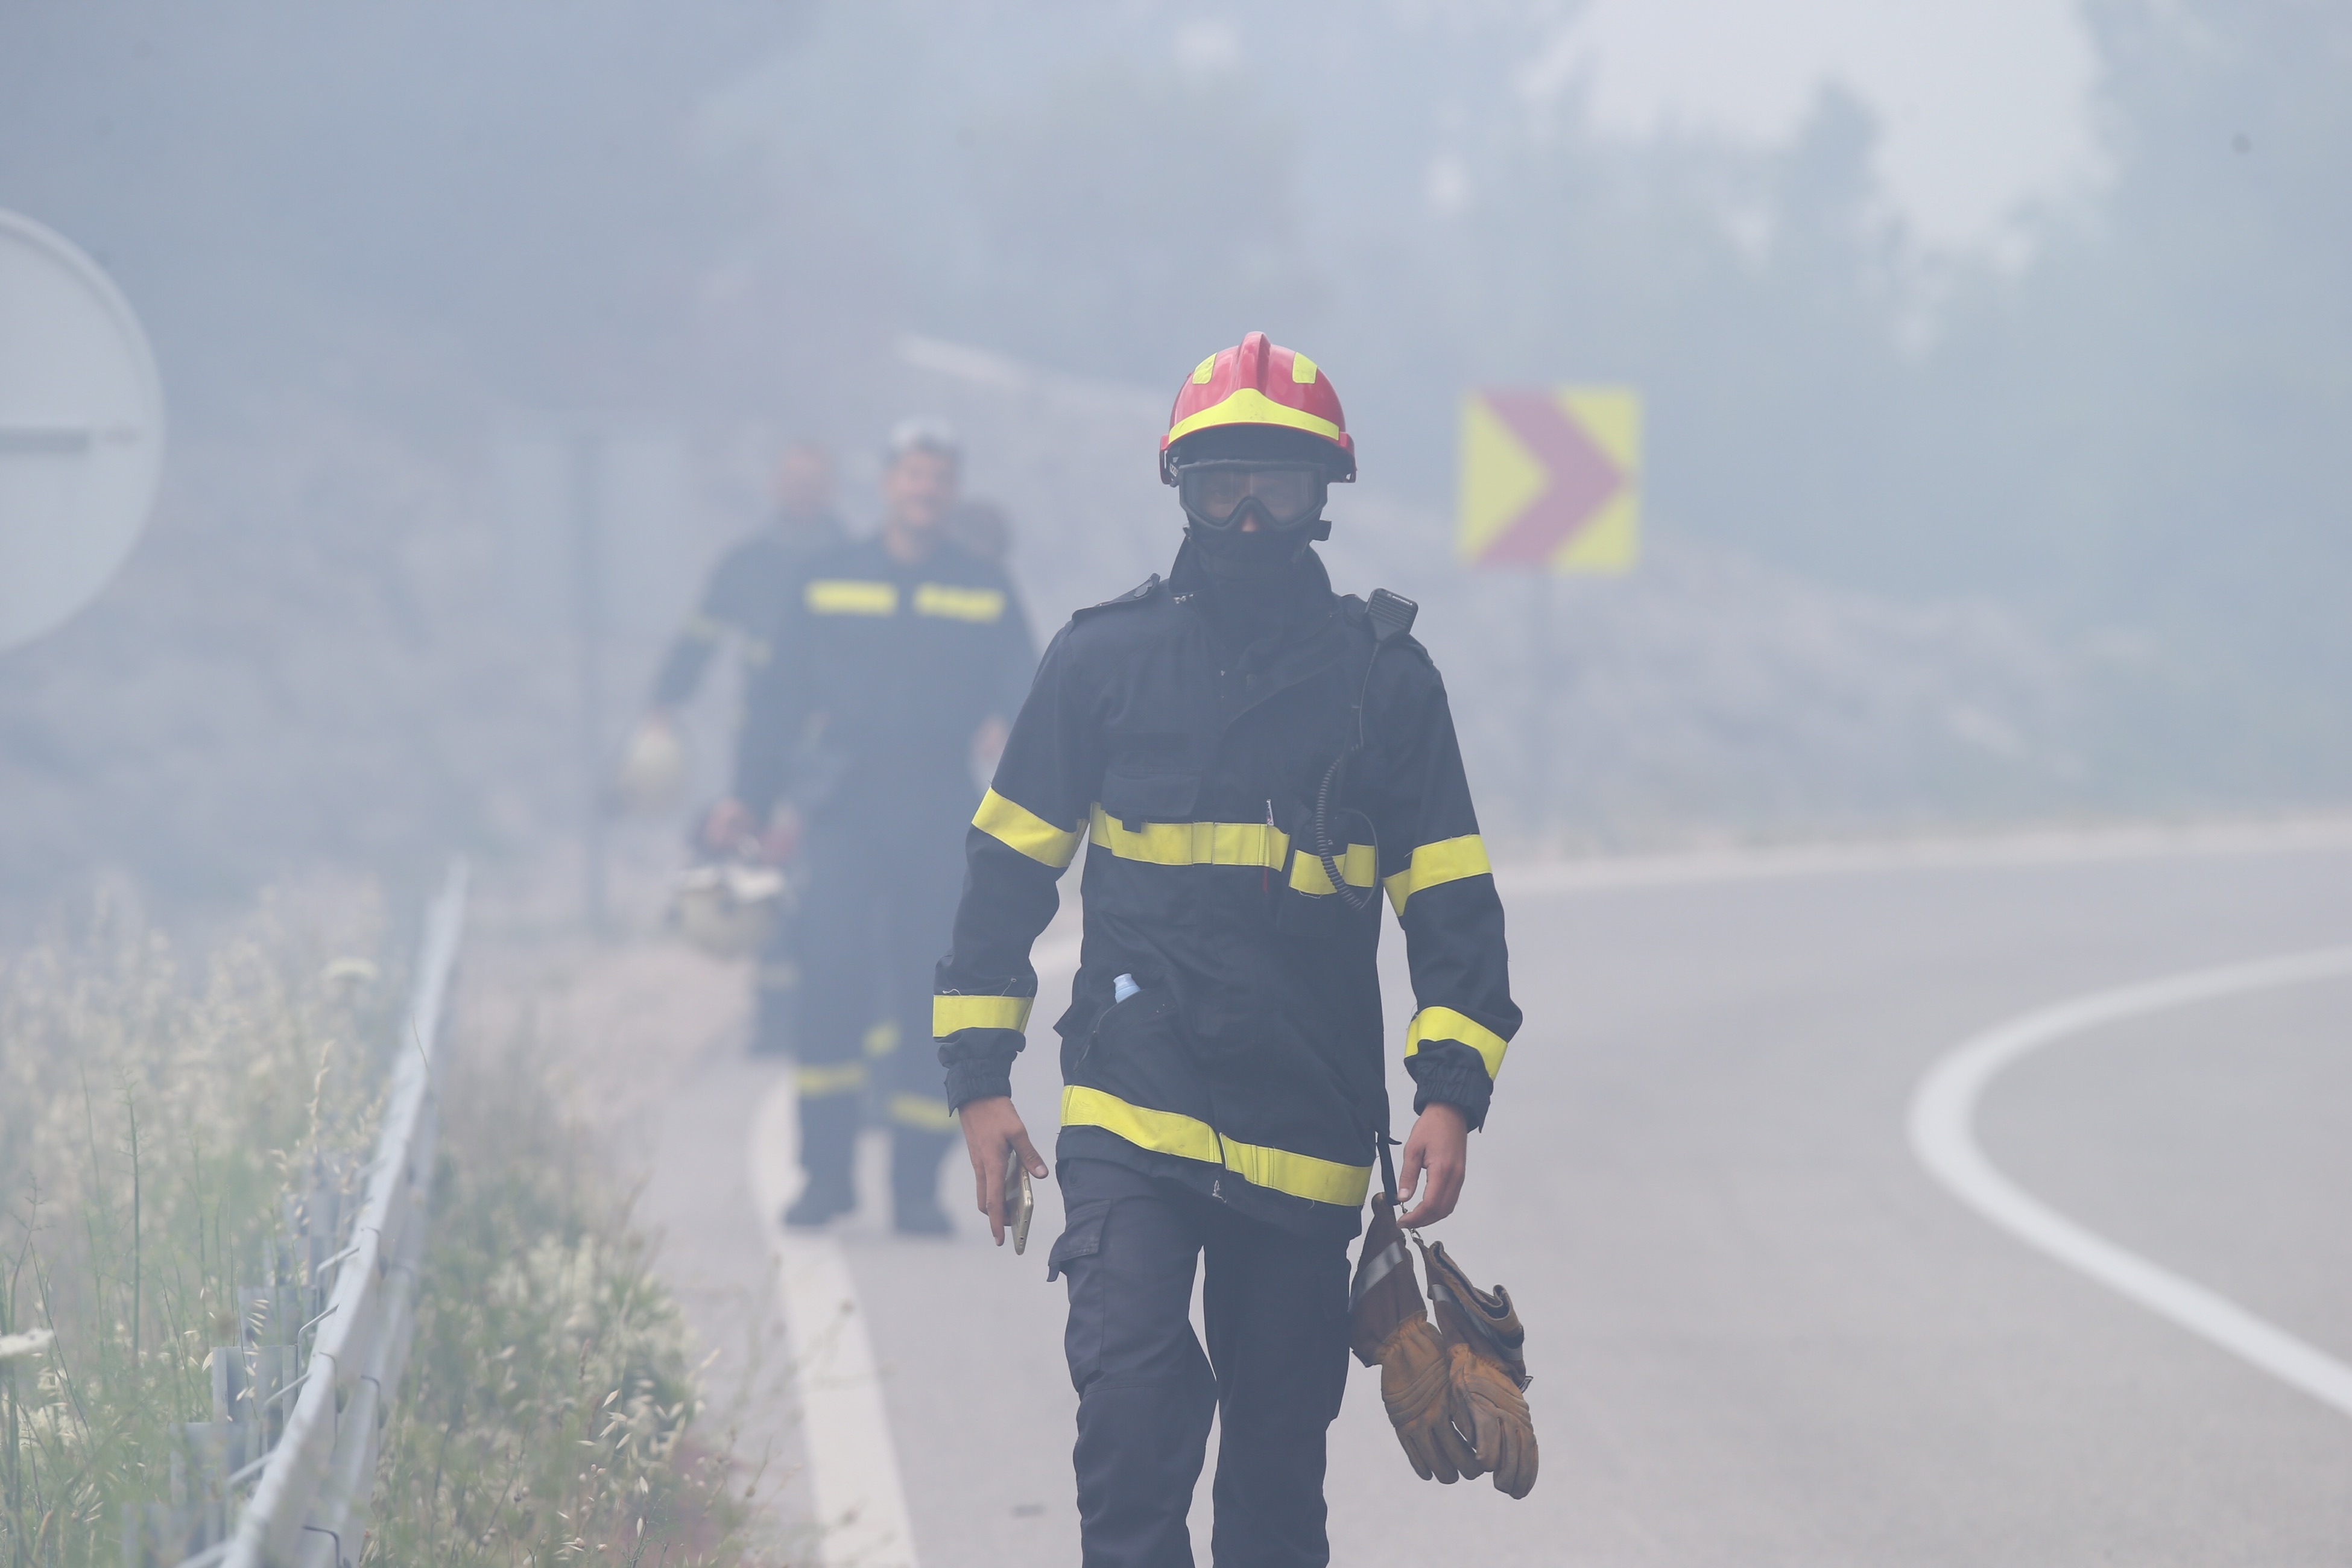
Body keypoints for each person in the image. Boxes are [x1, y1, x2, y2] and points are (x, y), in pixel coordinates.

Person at [935, 334, 1520, 1565]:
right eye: (1223, 487)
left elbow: (1455, 908)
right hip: (1132, 1114)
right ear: (1182, 490)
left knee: (1270, 1476)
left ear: (1324, 498)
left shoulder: (1387, 686)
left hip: (1304, 1135)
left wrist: (1450, 1096)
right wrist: (981, 1082)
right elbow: (1004, 878)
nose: (1249, 516)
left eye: (1279, 486)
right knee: (1134, 1412)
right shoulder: (1102, 662)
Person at [714, 420, 1035, 1233]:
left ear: (951, 494)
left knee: (934, 1000)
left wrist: (1014, 738)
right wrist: (747, 797)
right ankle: (824, 1177)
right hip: (846, 812)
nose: (924, 491)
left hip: (936, 811)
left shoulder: (986, 588)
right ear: (890, 485)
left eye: (938, 480)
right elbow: (777, 702)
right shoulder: (828, 580)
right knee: (829, 982)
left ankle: (916, 1188)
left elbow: (1030, 695)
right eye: (912, 477)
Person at [635, 439, 844, 1055]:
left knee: (834, 868)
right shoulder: (746, 563)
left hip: (842, 746)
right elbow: (701, 633)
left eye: (814, 478)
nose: (802, 489)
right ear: (776, 487)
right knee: (758, 866)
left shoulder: (856, 561)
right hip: (762, 743)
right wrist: (665, 698)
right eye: (792, 478)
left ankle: (834, 1004)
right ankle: (775, 1014)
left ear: (830, 489)